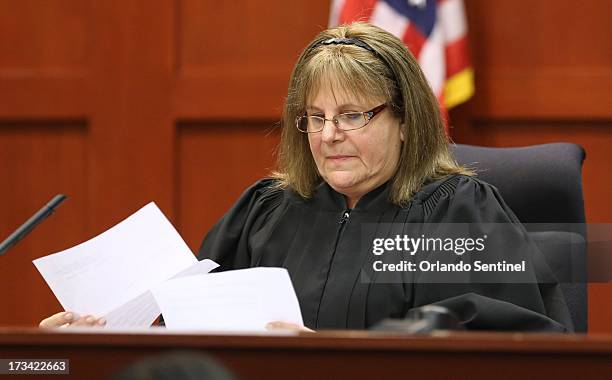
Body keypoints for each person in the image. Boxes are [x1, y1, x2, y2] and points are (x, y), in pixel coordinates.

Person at [40, 22, 573, 332]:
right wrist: (99, 336)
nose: (328, 135)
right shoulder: (266, 212)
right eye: (314, 118)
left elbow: (500, 343)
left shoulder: (460, 212)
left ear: (406, 121)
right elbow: (191, 331)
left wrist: (326, 355)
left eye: (352, 115)